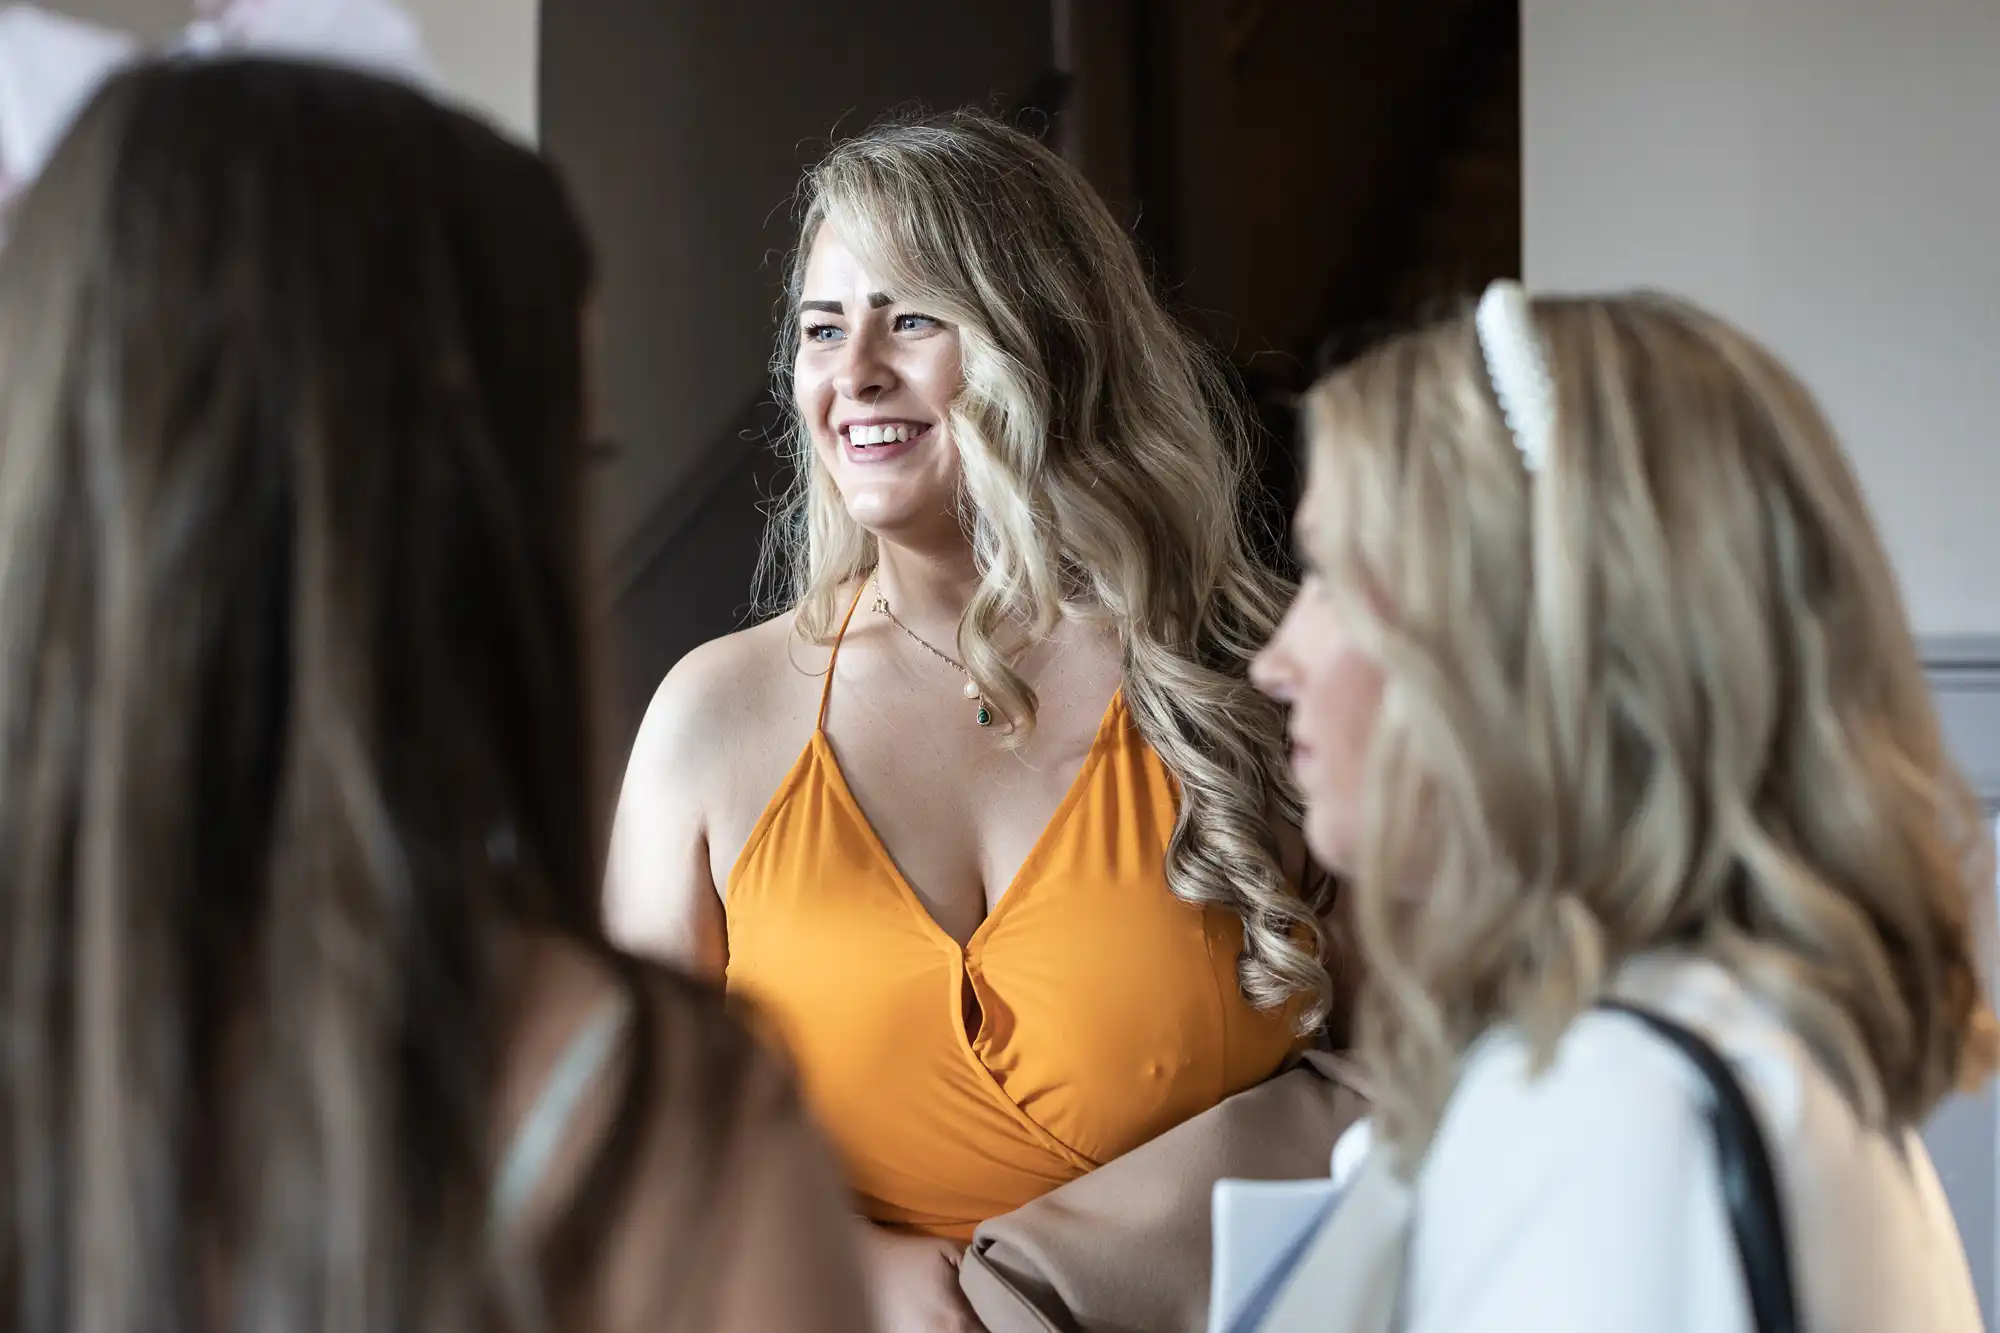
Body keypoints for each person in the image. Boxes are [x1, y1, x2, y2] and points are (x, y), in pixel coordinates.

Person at [0, 55, 868, 1333]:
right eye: (574, 461)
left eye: (909, 318)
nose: (855, 375)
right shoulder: (663, 1130)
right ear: (466, 519)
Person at [608, 110, 1342, 1329]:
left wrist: (1035, 1282)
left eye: (911, 318)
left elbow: (1414, 1083)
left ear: (1043, 338)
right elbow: (628, 1136)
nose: (854, 375)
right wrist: (851, 1261)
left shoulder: (1246, 680)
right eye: (822, 329)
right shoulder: (712, 718)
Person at [1244, 281, 1995, 1331]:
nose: (1275, 659)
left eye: (1326, 575)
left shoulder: (1610, 1108)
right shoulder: (1707, 1044)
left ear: (1520, 643)